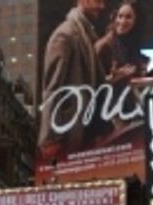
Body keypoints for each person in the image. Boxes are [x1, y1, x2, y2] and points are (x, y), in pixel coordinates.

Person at [38, 0, 104, 161]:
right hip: (67, 137)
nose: (102, 7)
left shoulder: (87, 36)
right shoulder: (65, 35)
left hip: (85, 135)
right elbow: (52, 89)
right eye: (98, 1)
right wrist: (49, 139)